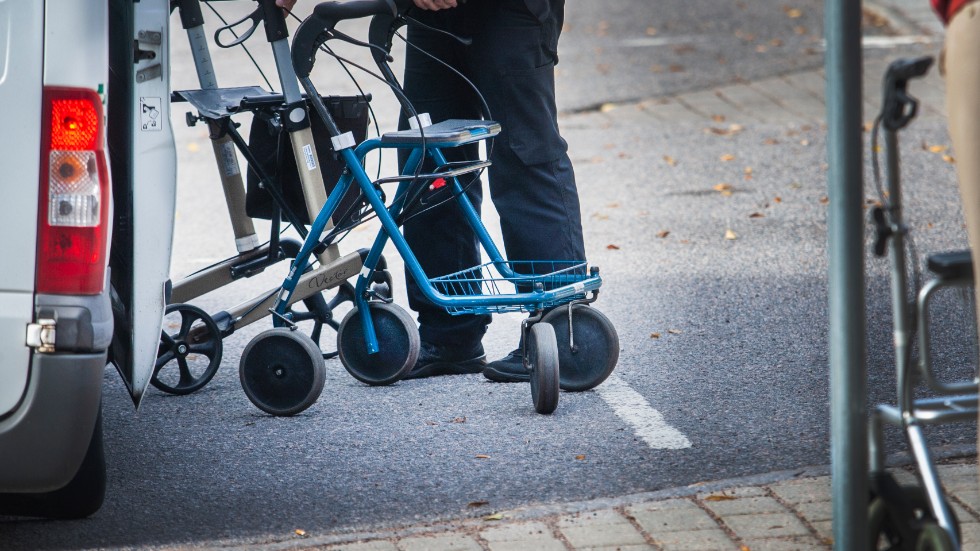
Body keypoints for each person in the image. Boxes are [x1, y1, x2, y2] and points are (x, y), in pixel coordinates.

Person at [397, 0, 587, 381]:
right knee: (431, 160)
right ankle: (450, 332)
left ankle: (560, 331)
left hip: (512, 11)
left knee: (524, 154)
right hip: (430, 13)